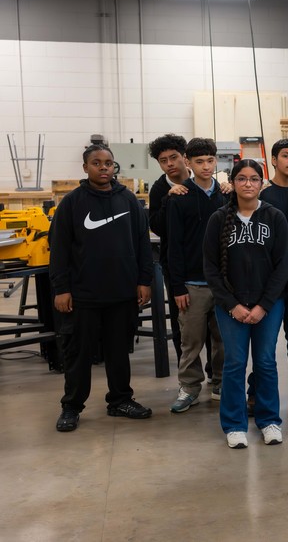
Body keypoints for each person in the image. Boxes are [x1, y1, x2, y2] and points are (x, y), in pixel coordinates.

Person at [52, 144, 153, 432]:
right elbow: (58, 250)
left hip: (122, 293)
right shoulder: (71, 203)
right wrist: (62, 288)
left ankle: (120, 400)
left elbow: (143, 245)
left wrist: (144, 281)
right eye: (96, 163)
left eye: (108, 162)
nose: (104, 167)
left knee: (119, 351)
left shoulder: (130, 202)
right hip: (83, 295)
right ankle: (71, 406)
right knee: (78, 353)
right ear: (85, 168)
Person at [203, 159, 288, 449]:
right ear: (233, 182)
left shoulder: (274, 216)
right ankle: (234, 424)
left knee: (266, 362)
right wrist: (232, 305)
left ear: (262, 183)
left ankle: (269, 421)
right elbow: (211, 268)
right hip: (231, 306)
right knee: (235, 363)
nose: (249, 184)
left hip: (268, 305)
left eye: (254, 179)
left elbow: (283, 266)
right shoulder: (218, 219)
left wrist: (264, 305)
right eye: (242, 179)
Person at [167, 137, 226, 413]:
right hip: (192, 284)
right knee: (190, 340)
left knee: (223, 339)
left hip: (224, 283)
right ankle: (189, 387)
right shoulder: (180, 197)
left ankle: (221, 383)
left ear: (216, 161)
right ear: (188, 163)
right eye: (199, 161)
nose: (206, 166)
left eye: (210, 160)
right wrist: (178, 286)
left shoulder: (226, 195)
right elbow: (173, 247)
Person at [257, 138, 288, 406]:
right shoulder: (262, 195)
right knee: (264, 345)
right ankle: (256, 394)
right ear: (273, 160)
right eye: (286, 156)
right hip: (271, 282)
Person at [148, 134, 191, 362]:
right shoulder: (159, 189)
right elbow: (156, 227)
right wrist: (168, 199)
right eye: (163, 160)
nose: (169, 164)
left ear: (185, 157)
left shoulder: (204, 180)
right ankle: (187, 376)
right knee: (180, 320)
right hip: (175, 264)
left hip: (207, 264)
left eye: (173, 157)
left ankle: (216, 375)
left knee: (214, 322)